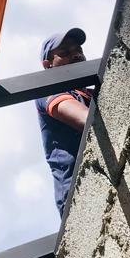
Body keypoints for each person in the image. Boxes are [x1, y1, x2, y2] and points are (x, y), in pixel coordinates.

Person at [36, 28, 93, 216]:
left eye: (78, 50)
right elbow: (87, 120)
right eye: (65, 52)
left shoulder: (90, 94)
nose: (76, 55)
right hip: (79, 194)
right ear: (48, 65)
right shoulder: (47, 89)